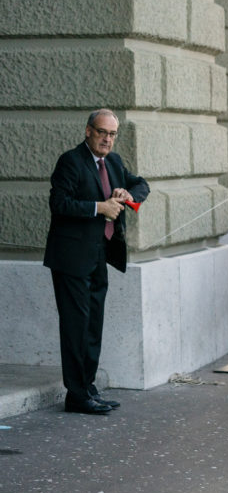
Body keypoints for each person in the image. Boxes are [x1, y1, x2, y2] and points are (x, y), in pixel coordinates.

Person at [45, 109, 149, 414]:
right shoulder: (71, 160)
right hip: (71, 259)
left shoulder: (114, 162)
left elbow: (141, 185)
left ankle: (88, 388)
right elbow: (59, 204)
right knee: (76, 326)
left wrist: (126, 194)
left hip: (100, 256)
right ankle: (76, 395)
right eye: (102, 132)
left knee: (93, 325)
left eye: (112, 134)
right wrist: (98, 207)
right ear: (88, 131)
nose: (107, 139)